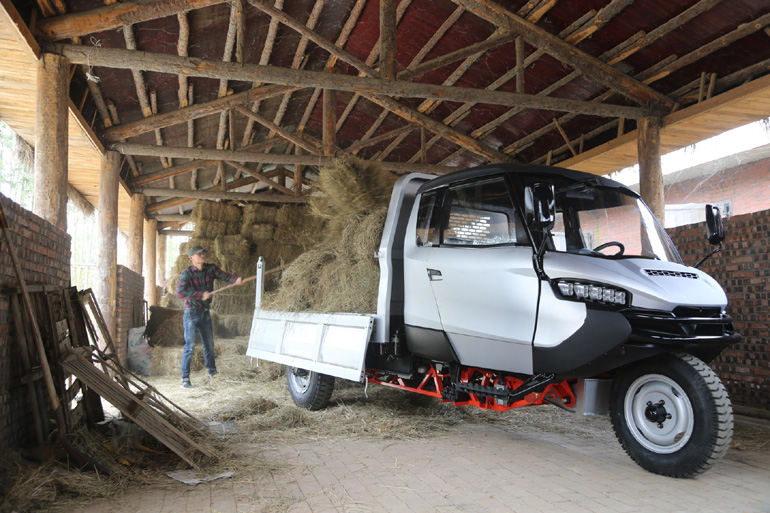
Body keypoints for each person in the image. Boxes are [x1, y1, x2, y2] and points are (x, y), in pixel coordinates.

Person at [176, 245, 244, 389]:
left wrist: (236, 280)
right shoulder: (187, 273)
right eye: (199, 254)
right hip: (191, 313)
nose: (202, 255)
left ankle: (212, 374)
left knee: (209, 345)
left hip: (205, 313)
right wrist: (200, 295)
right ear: (191, 258)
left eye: (203, 253)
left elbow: (224, 276)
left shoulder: (211, 269)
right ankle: (185, 379)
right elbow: (181, 293)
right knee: (190, 346)